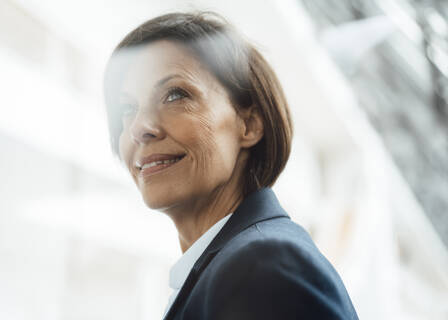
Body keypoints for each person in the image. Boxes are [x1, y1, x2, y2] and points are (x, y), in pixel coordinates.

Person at [103, 11, 358, 320]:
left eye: (174, 95)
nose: (139, 127)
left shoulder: (261, 266)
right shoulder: (232, 264)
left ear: (249, 125)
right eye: (128, 108)